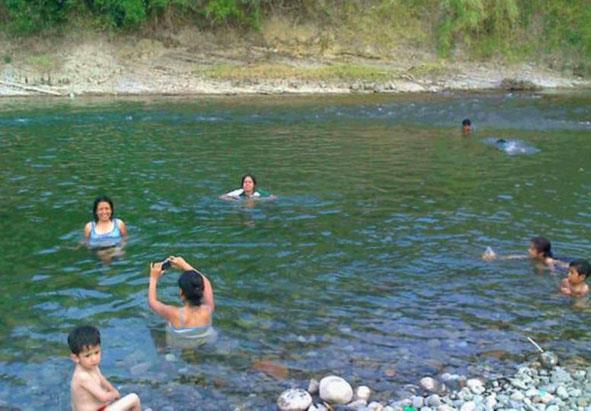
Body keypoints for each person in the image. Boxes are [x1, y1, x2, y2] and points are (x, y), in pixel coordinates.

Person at [68, 325, 141, 411]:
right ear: (75, 358)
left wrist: (113, 390)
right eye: (87, 355)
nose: (94, 359)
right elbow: (103, 397)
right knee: (134, 398)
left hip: (101, 408)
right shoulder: (82, 376)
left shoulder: (91, 366)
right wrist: (114, 394)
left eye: (96, 352)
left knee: (123, 404)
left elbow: (102, 380)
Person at [148, 256, 215, 339]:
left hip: (180, 345)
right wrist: (184, 265)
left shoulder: (174, 314)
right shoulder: (208, 309)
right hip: (204, 341)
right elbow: (207, 283)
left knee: (156, 330)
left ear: (181, 292)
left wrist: (153, 278)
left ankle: (163, 350)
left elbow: (152, 302)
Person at [482, 236, 567, 268]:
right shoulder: (533, 257)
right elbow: (516, 257)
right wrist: (496, 258)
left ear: (541, 253)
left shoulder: (549, 261)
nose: (528, 250)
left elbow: (565, 266)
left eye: (532, 249)